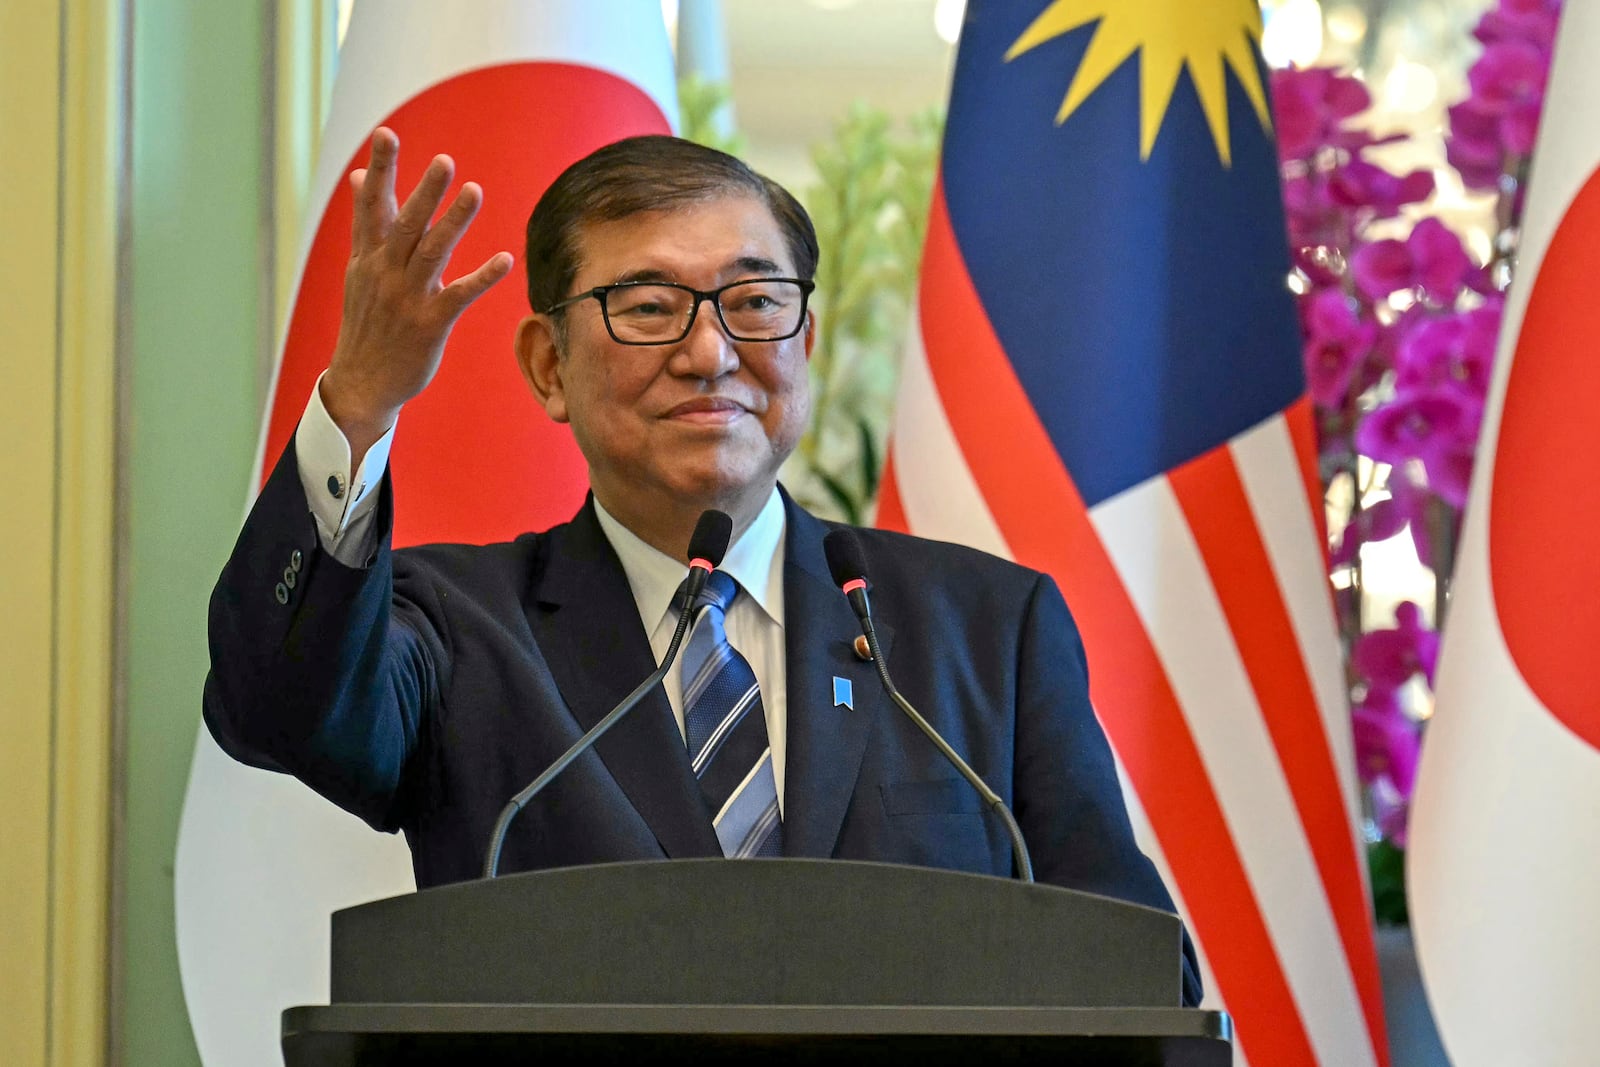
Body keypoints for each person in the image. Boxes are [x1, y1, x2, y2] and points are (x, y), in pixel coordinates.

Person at [204, 129, 1201, 1006]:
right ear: (549, 364)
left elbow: (1138, 970)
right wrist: (360, 402)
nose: (711, 351)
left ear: (804, 343)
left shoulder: (985, 625)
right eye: (647, 307)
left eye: (753, 301)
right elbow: (274, 706)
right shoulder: (459, 626)